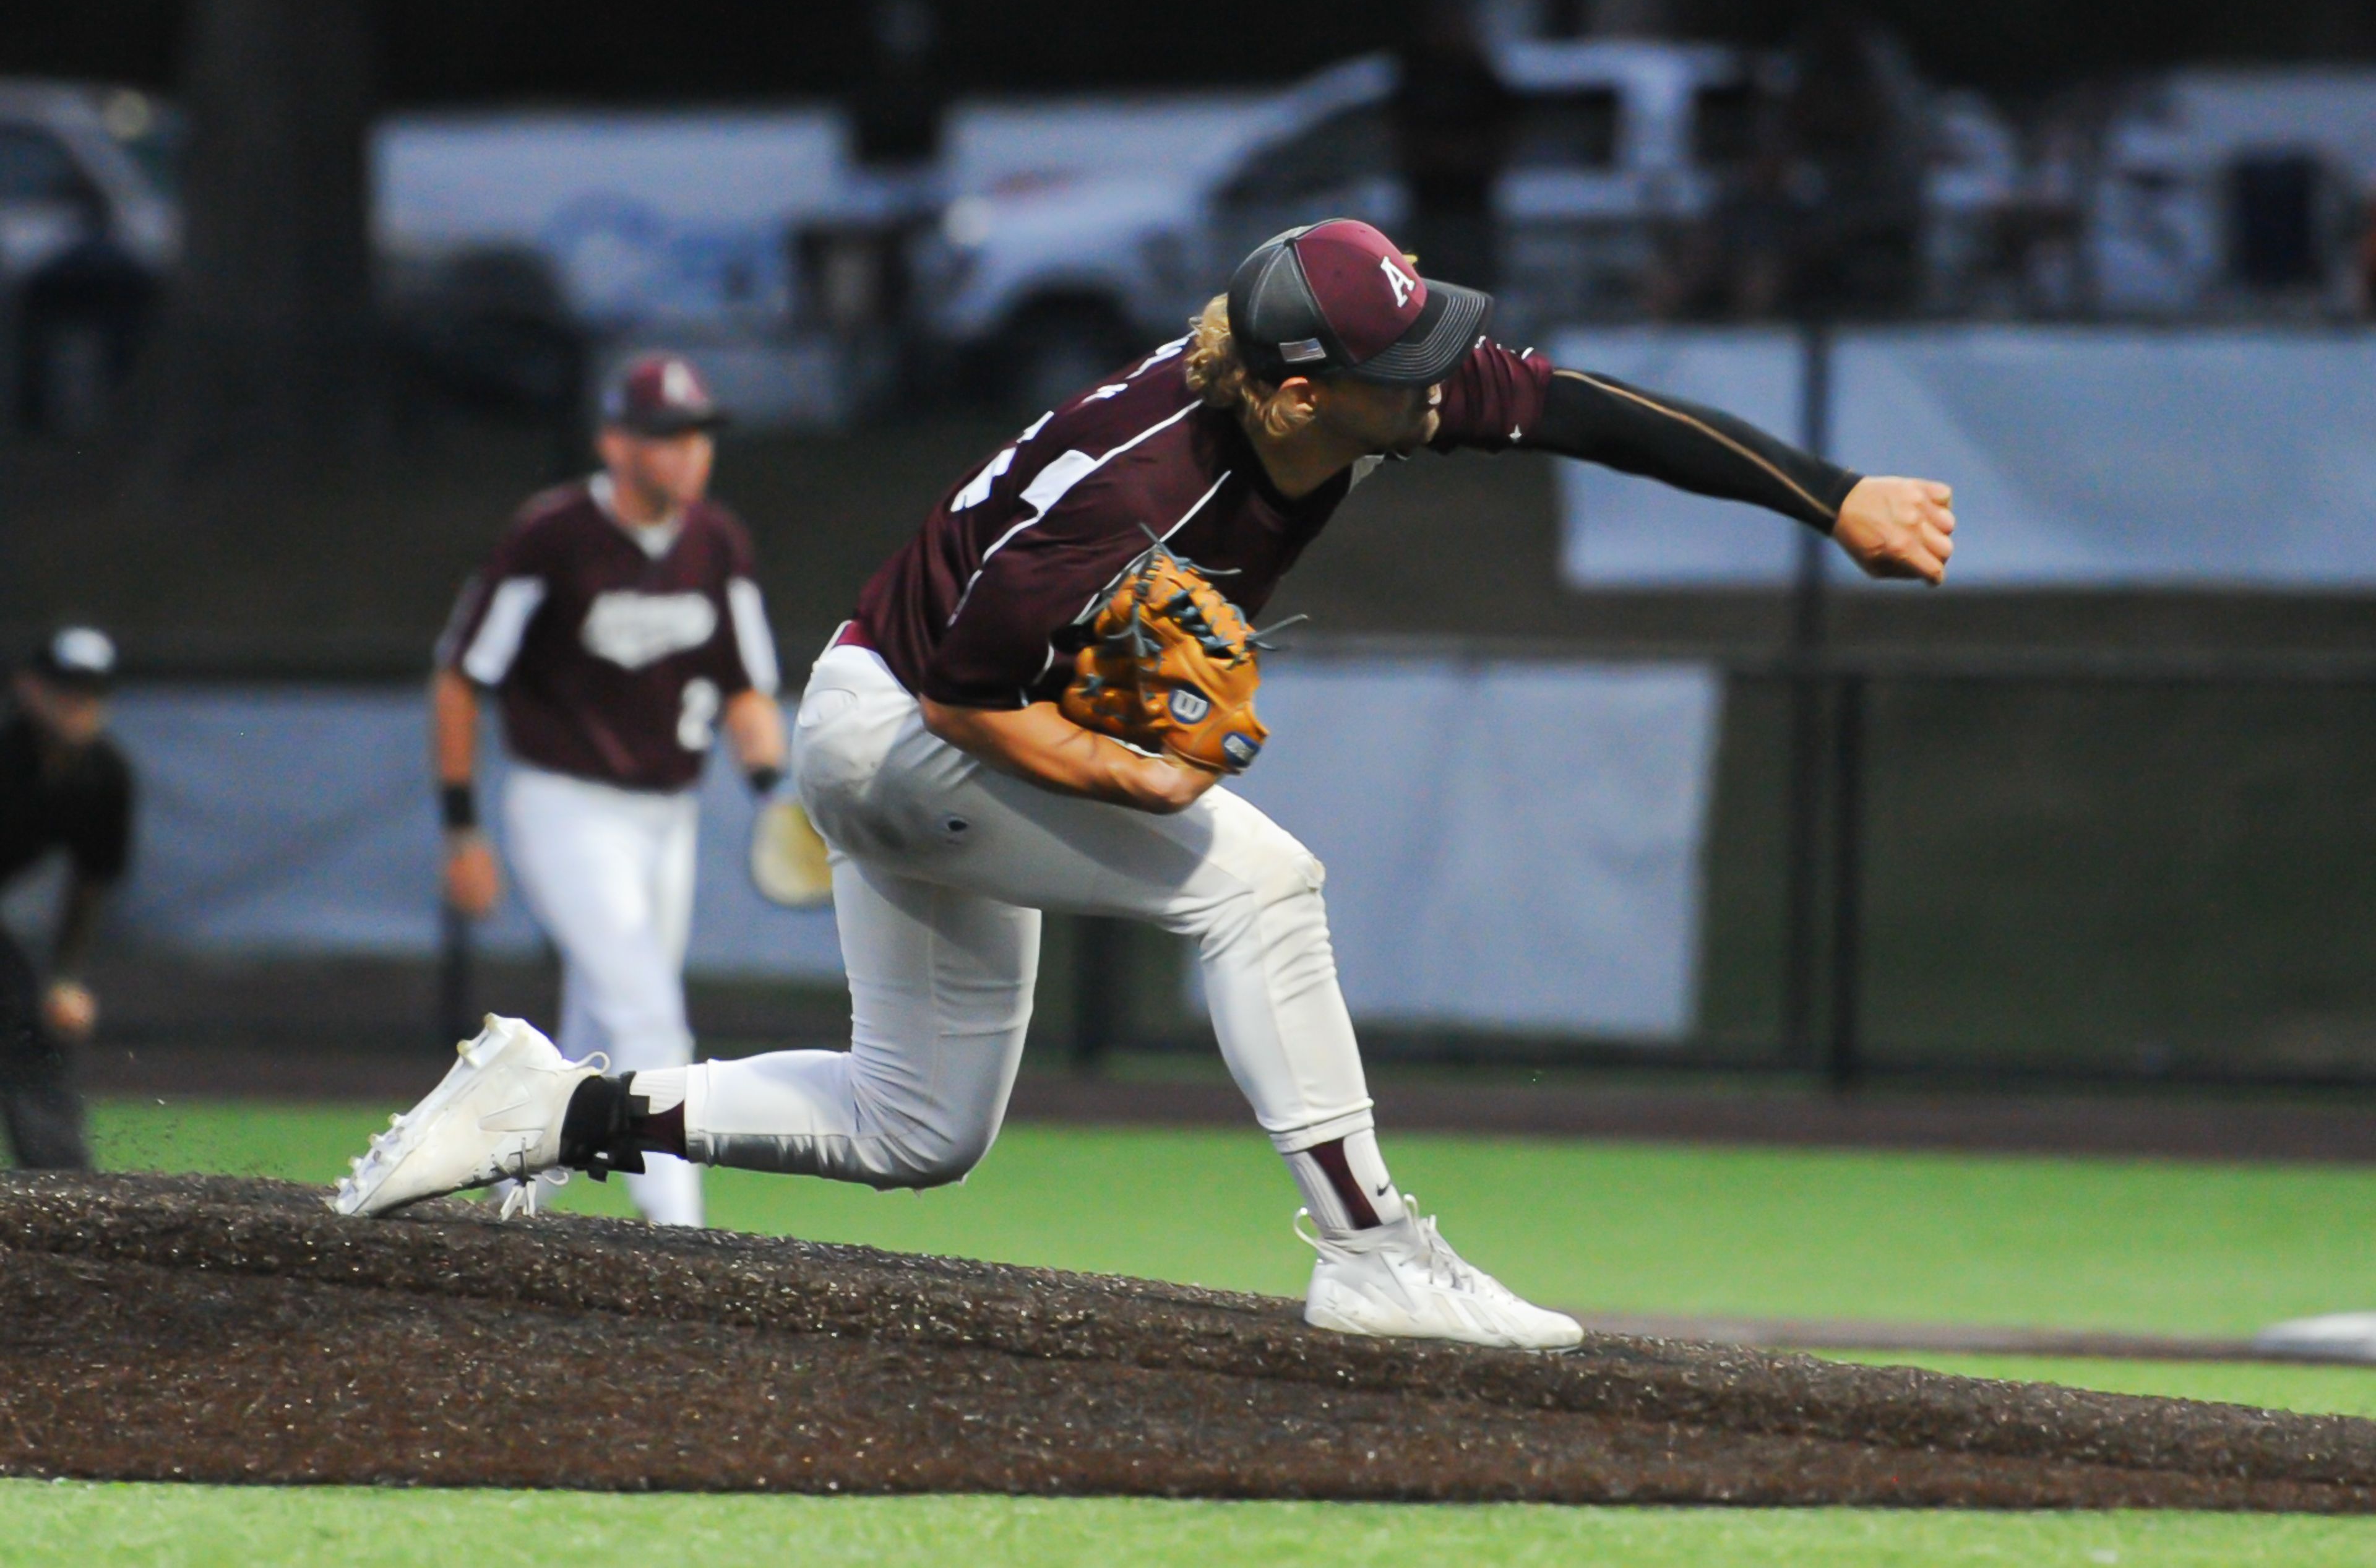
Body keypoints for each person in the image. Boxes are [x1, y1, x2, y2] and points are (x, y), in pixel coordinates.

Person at [340, 220, 1953, 1349]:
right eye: (1407, 360)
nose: (1444, 379)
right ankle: (1372, 1247)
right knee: (1260, 881)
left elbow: (1588, 410)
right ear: (1302, 388)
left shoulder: (1328, 390)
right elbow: (973, 687)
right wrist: (1126, 767)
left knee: (917, 1129)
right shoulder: (1142, 484)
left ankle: (558, 1105)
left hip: (928, 712)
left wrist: (1835, 498)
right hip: (900, 723)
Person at [429, 353, 788, 1226]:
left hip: (667, 817)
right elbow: (459, 676)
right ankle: (678, 1229)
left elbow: (747, 690)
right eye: (669, 436)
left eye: (698, 435)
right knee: (649, 1010)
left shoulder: (717, 542)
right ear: (615, 444)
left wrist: (777, 790)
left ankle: (508, 1209)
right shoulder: (551, 536)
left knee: (594, 1032)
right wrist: (461, 828)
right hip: (564, 805)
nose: (690, 454)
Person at [0, 627, 134, 1170]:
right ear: (29, 689)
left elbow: (90, 882)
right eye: (66, 689)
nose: (80, 704)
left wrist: (65, 977)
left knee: (32, 1023)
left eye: (93, 692)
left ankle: (63, 1195)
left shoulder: (105, 776)